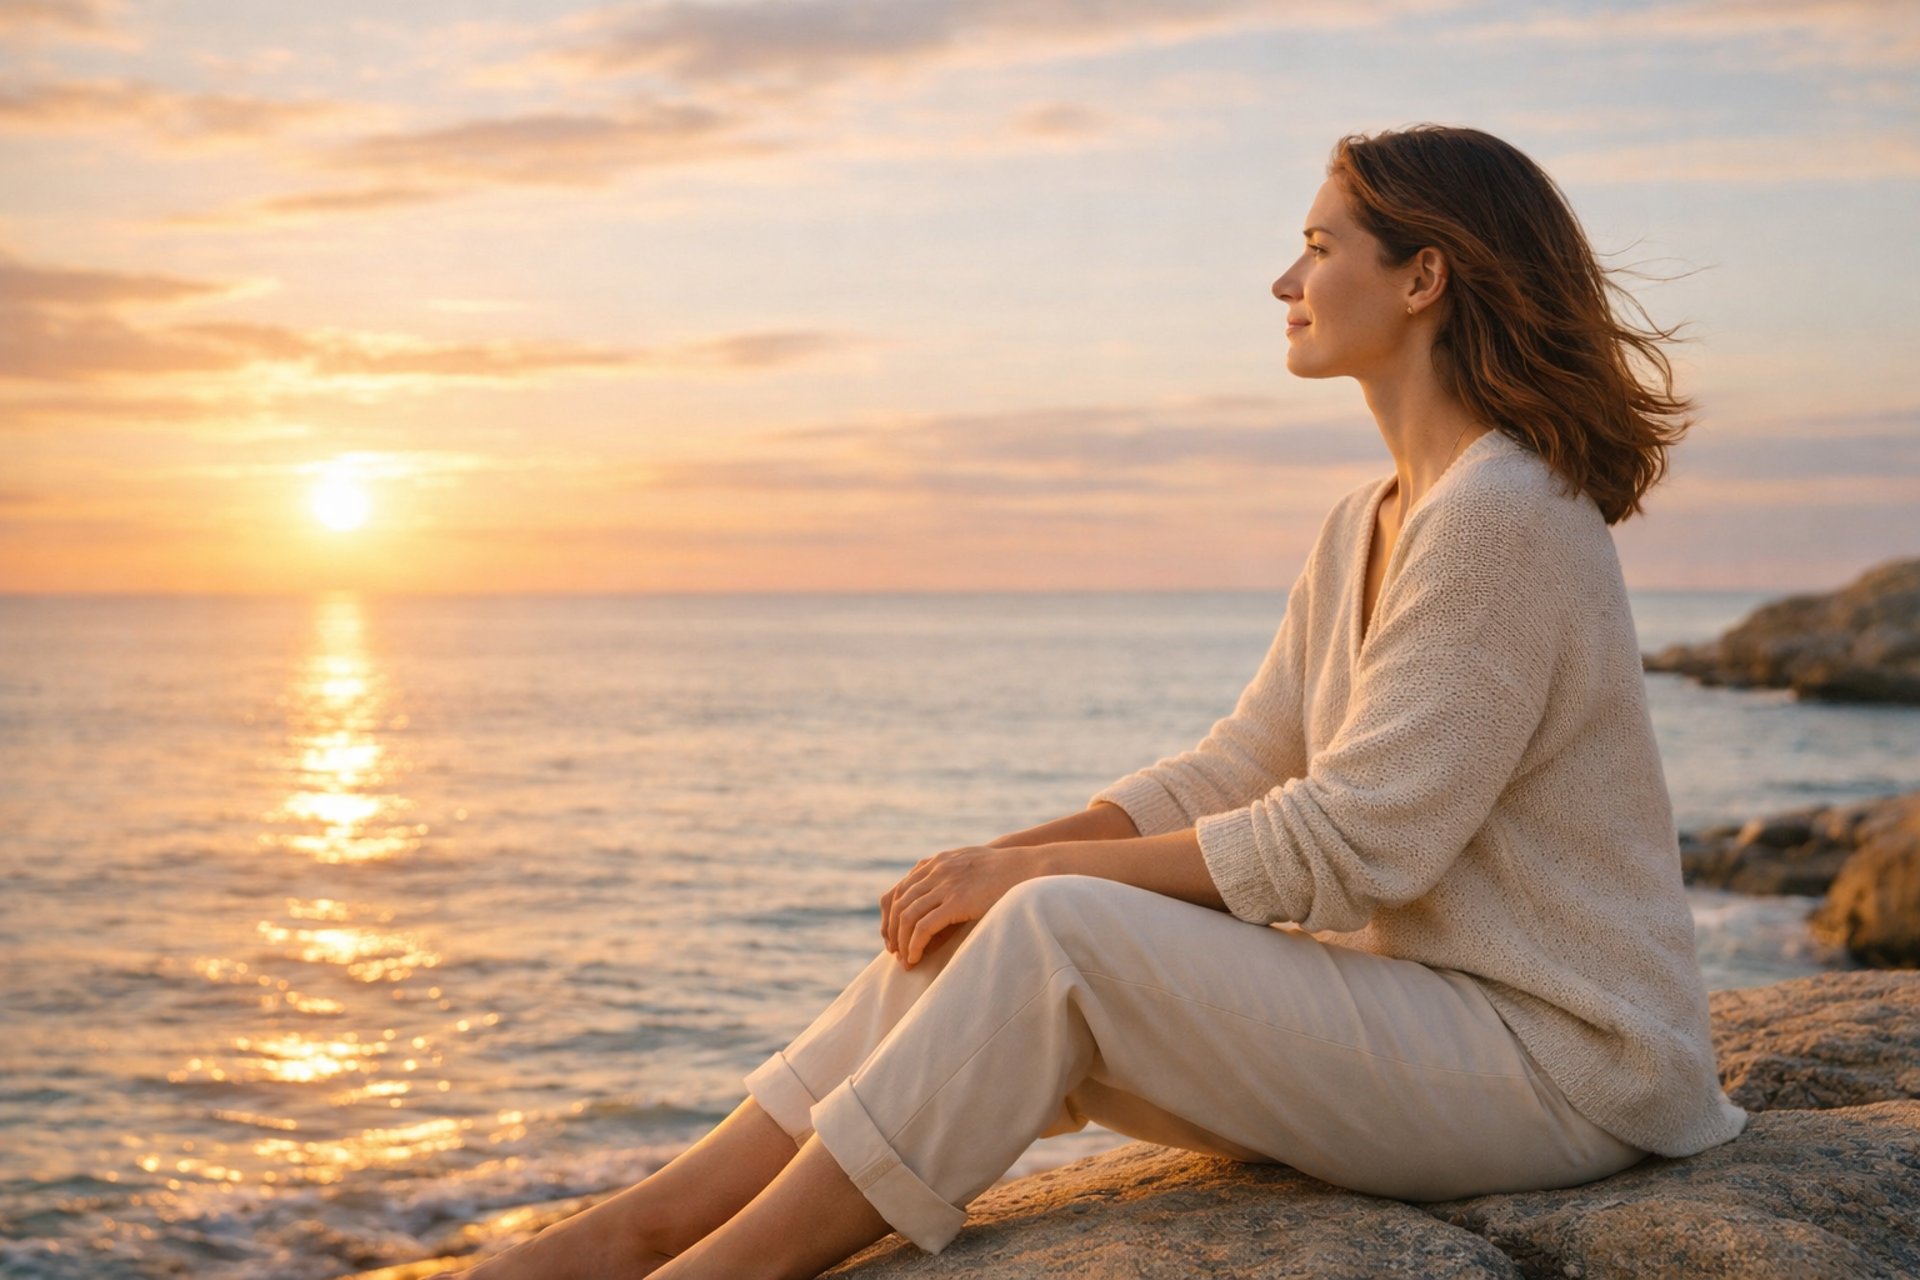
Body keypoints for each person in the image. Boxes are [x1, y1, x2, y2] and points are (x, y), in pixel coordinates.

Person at [436, 124, 1749, 1280]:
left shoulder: (1505, 515)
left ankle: (703, 1273)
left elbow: (1358, 846)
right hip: (1431, 1037)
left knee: (1055, 928)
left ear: (1423, 276)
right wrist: (998, 860)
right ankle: (631, 1233)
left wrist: (1039, 879)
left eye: (1316, 245)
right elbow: (1247, 760)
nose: (1285, 283)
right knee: (986, 926)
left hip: (1565, 1071)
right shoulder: (1374, 518)